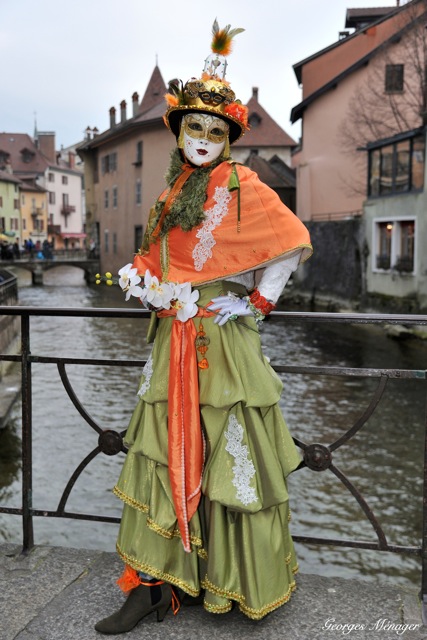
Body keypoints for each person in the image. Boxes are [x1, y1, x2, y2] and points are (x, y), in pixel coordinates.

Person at [95, 20, 313, 635]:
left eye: (215, 132)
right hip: (174, 335)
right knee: (167, 450)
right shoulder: (174, 190)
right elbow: (161, 258)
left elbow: (290, 243)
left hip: (220, 336)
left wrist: (257, 304)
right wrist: (141, 283)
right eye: (194, 127)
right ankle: (158, 585)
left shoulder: (241, 184)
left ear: (228, 140)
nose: (203, 139)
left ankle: (229, 577)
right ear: (180, 131)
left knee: (229, 452)